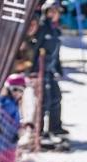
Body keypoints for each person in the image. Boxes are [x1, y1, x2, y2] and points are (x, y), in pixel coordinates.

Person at [35, 2, 66, 140]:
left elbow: (56, 52)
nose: (53, 14)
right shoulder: (42, 27)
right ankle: (39, 131)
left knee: (56, 97)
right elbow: (34, 48)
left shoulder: (56, 29)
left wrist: (59, 69)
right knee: (44, 100)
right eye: (50, 11)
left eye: (56, 11)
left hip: (50, 70)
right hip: (40, 70)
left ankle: (55, 127)